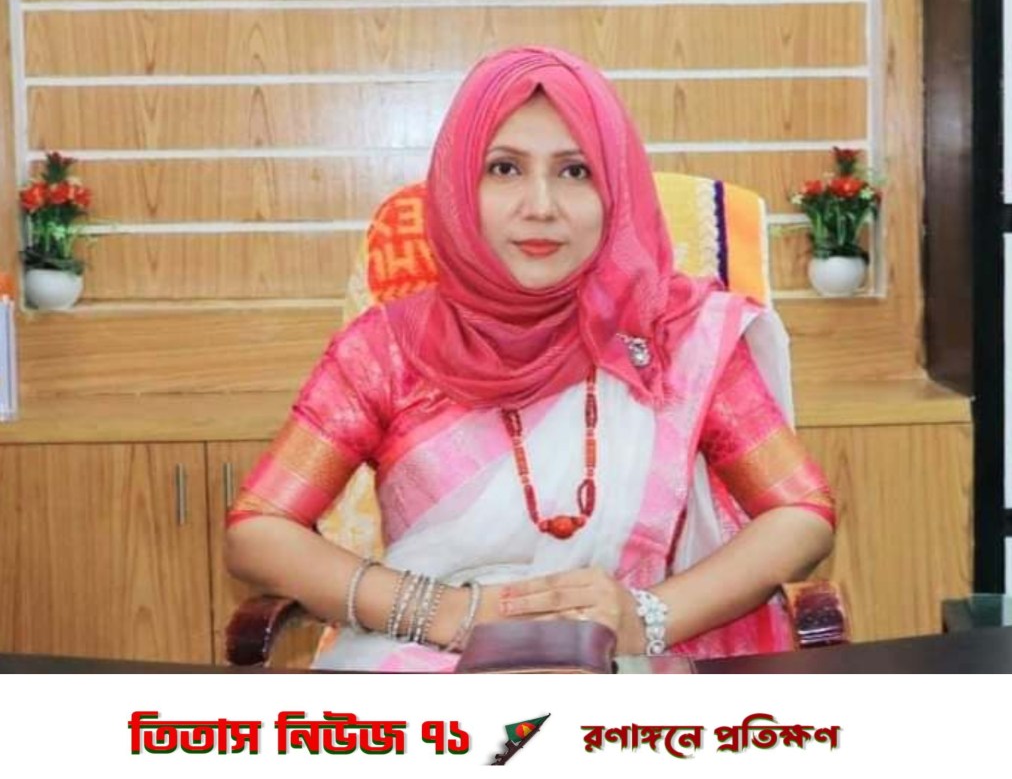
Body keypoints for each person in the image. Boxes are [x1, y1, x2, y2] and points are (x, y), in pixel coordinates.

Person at [225, 46, 835, 671]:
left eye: (575, 171)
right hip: (424, 662)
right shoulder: (387, 350)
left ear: (616, 191)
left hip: (622, 666)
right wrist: (442, 612)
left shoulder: (677, 337)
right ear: (459, 189)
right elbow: (258, 531)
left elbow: (800, 513)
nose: (540, 205)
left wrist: (649, 616)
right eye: (504, 168)